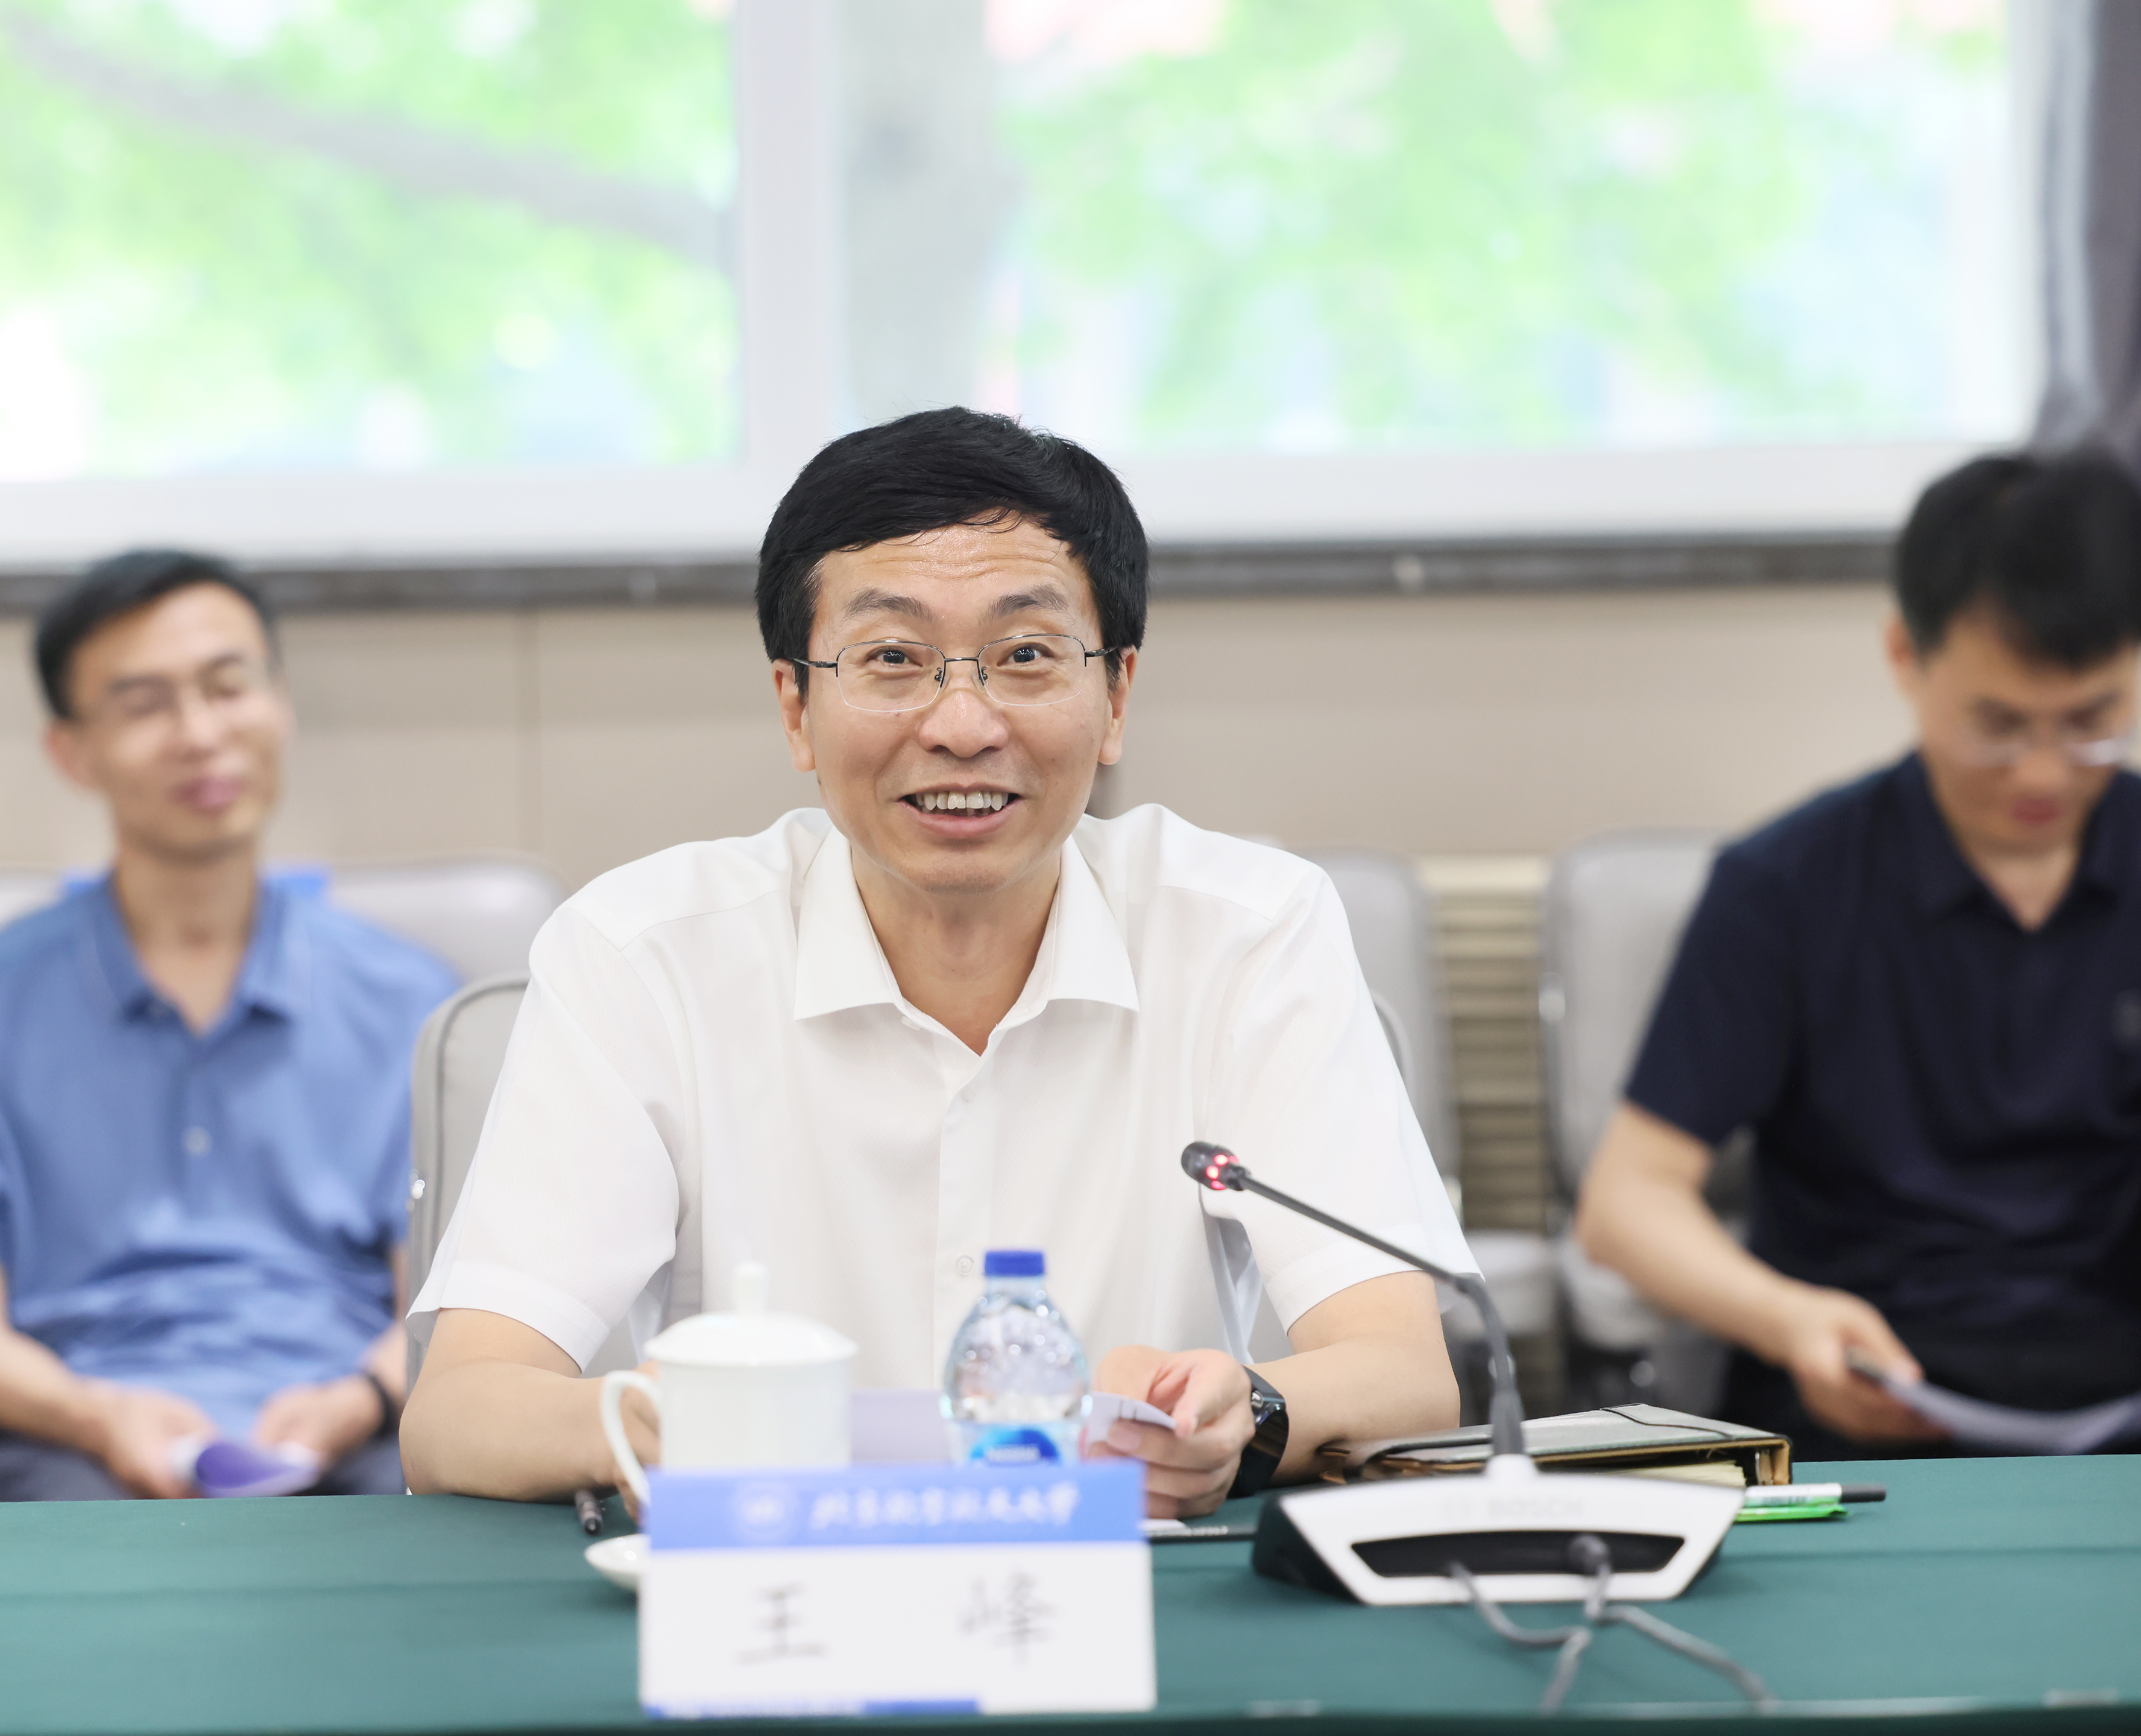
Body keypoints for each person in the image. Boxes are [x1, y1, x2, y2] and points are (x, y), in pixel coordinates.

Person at [402, 408, 1468, 1515]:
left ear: (1116, 698)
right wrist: (659, 1423)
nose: (963, 724)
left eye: (1025, 657)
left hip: (1131, 1584)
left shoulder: (1248, 932)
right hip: (772, 1585)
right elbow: (457, 1412)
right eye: (893, 660)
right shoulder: (642, 955)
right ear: (796, 708)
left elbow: (1405, 1370)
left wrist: (1248, 1414)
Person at [1576, 450, 2141, 1460]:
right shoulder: (1784, 886)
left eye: (2091, 723)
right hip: (1861, 1400)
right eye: (1998, 725)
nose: (2044, 773)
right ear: (1903, 656)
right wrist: (1785, 1317)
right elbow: (1626, 1201)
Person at [0, 551, 457, 1501]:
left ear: (280, 704)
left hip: (351, 1434)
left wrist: (361, 1398)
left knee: (440, 1535)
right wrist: (96, 1414)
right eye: (144, 704)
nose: (201, 734)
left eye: (228, 686)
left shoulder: (410, 998)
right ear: (72, 752)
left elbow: (447, 1304)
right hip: (71, 1442)